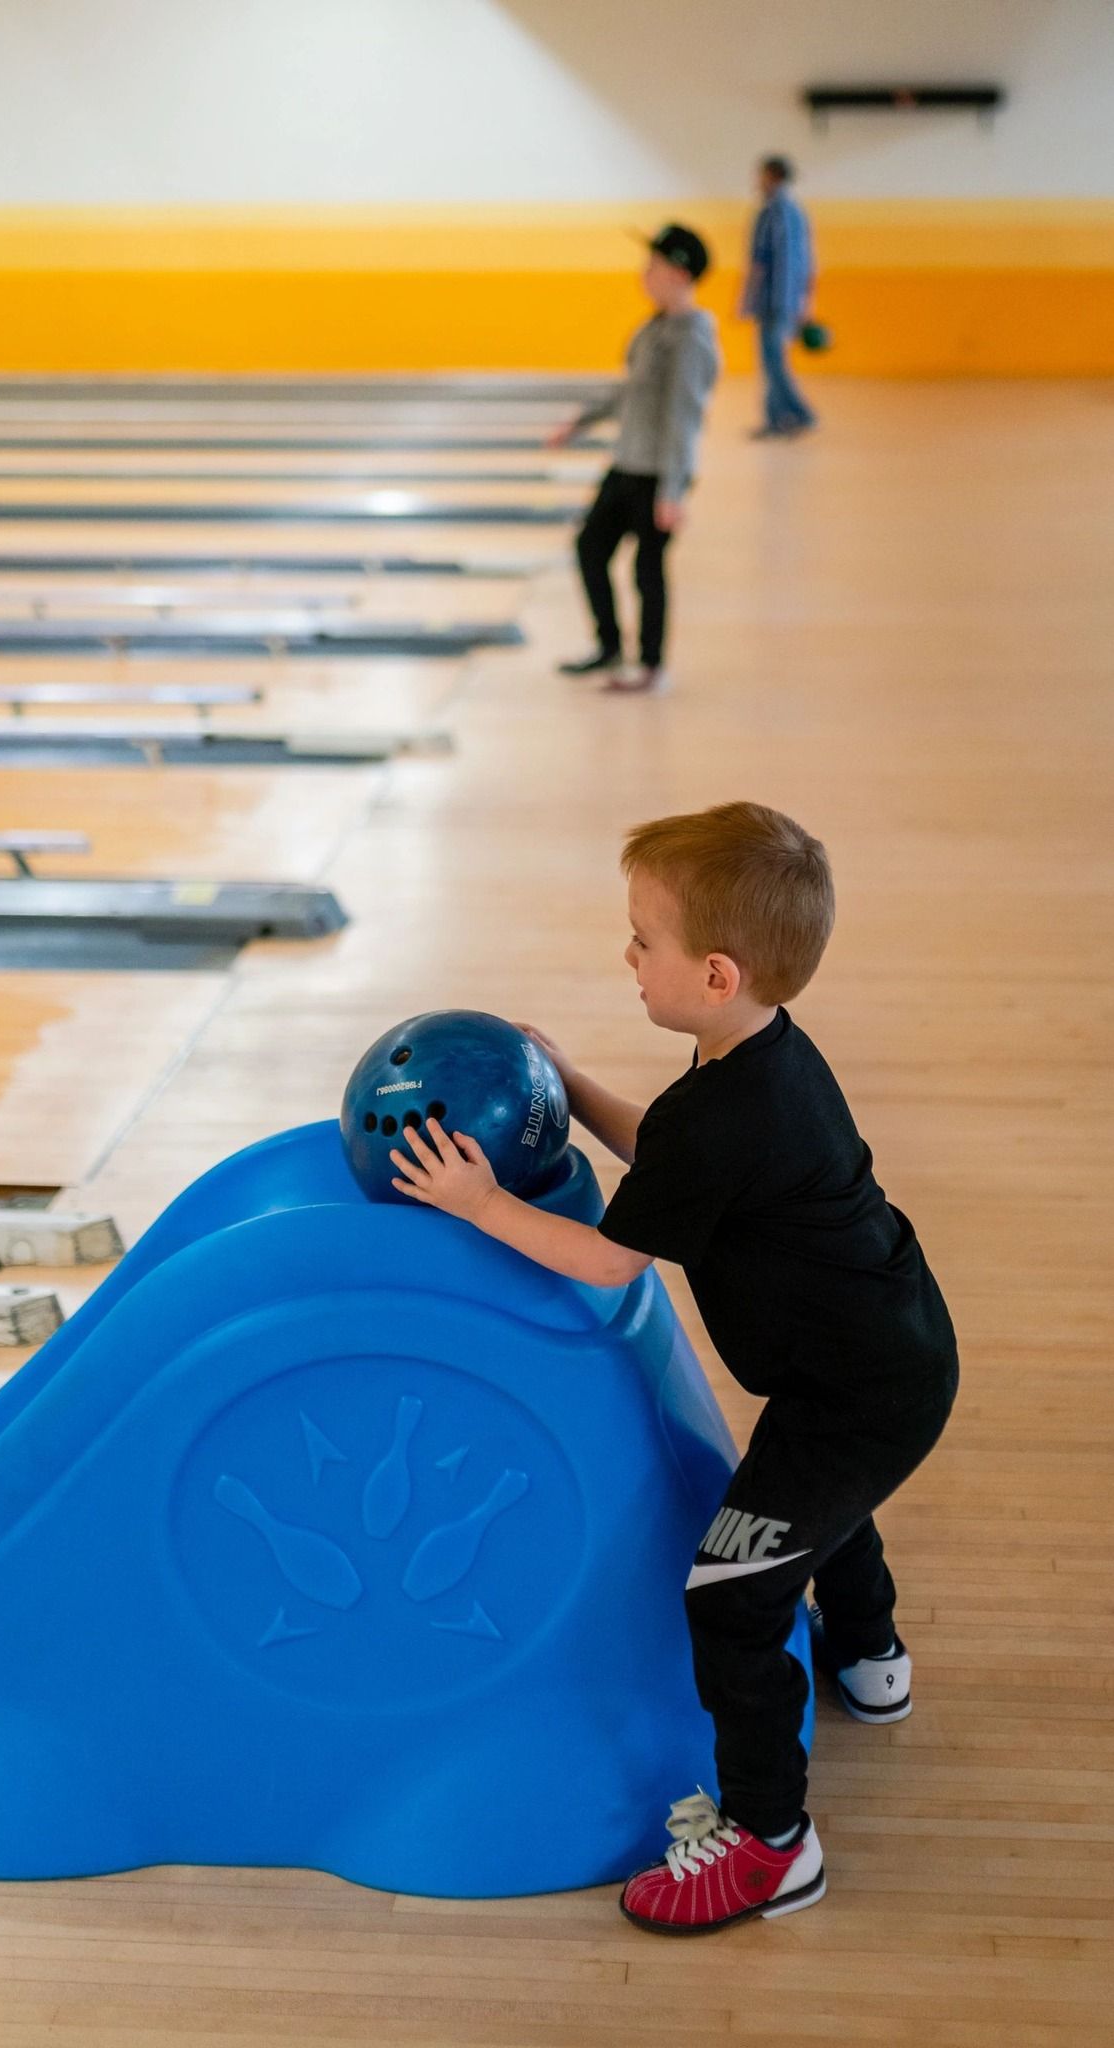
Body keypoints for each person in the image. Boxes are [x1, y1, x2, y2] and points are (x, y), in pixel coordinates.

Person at [386, 800, 958, 1935]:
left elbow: (607, 1259)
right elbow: (673, 1152)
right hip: (882, 1357)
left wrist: (481, 1201)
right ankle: (872, 1655)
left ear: (711, 971)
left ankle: (769, 1842)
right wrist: (570, 1080)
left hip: (856, 1390)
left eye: (641, 937)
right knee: (816, 1499)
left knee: (733, 1588)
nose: (627, 954)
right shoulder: (757, 1060)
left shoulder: (725, 1111)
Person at [550, 224, 720, 694]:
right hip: (627, 464)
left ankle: (650, 666)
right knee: (590, 549)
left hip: (656, 476)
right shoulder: (656, 327)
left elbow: (685, 418)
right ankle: (609, 647)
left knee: (647, 571)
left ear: (679, 274)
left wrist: (673, 490)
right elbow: (631, 388)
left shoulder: (691, 339)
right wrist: (581, 420)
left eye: (654, 266)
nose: (644, 275)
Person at [742, 156, 818, 437]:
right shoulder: (798, 213)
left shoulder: (769, 214)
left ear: (772, 176)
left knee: (773, 362)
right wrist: (806, 301)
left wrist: (746, 299)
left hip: (771, 300)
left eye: (760, 175)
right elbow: (809, 262)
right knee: (775, 361)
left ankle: (796, 414)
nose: (757, 181)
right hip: (789, 300)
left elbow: (759, 262)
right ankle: (783, 417)